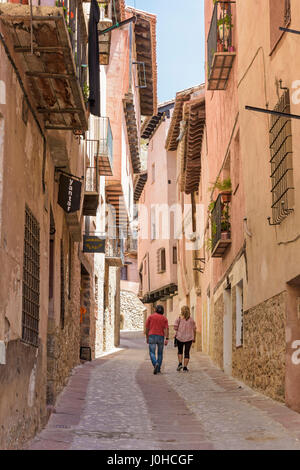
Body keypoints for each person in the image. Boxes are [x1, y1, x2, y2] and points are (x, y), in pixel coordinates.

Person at [145, 305, 169, 374]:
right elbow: (167, 328)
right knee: (160, 353)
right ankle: (158, 369)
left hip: (152, 336)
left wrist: (147, 337)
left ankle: (155, 364)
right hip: (161, 336)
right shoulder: (164, 318)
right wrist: (167, 338)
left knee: (152, 352)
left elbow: (147, 328)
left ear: (155, 310)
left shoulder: (150, 317)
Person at [174, 306, 196, 372]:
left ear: (182, 311)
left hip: (180, 337)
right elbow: (194, 329)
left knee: (180, 351)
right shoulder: (191, 320)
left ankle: (180, 363)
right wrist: (194, 338)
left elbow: (175, 327)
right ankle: (185, 367)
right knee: (187, 352)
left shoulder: (179, 318)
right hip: (189, 338)